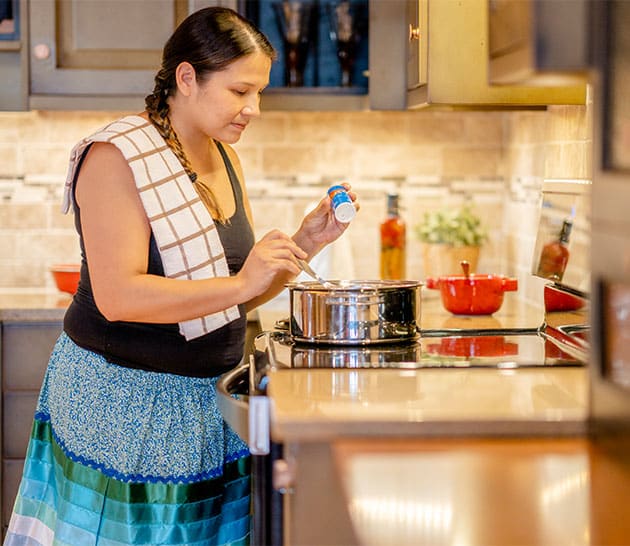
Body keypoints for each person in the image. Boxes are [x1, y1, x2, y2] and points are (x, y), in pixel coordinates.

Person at [4, 7, 358, 546]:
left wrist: (307, 244)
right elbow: (119, 296)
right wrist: (243, 284)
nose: (254, 109)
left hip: (202, 411)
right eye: (241, 91)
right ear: (187, 78)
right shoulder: (116, 157)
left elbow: (228, 294)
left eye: (258, 93)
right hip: (124, 411)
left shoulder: (222, 156)